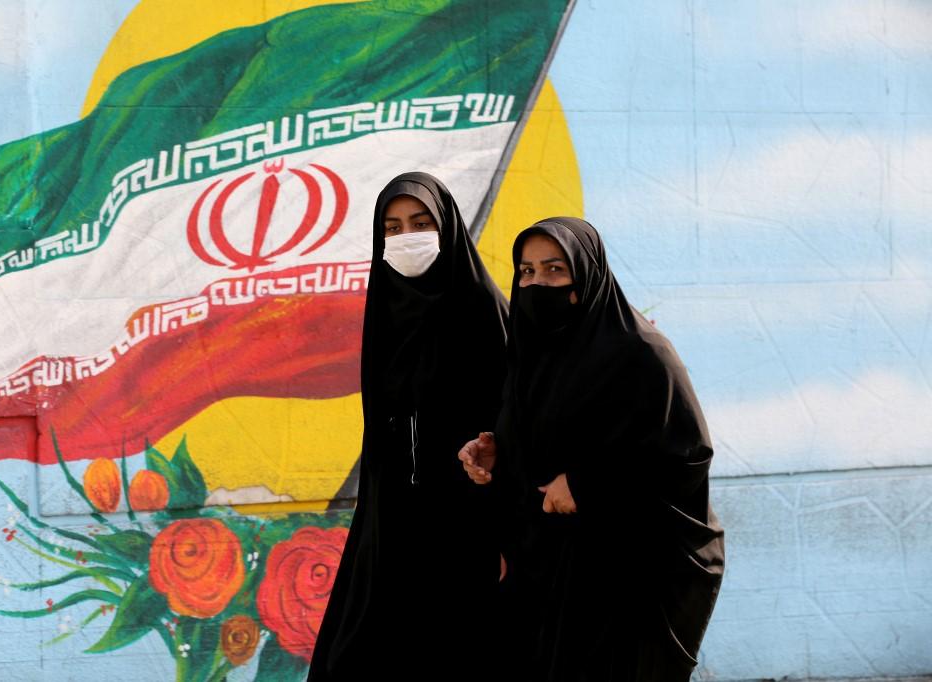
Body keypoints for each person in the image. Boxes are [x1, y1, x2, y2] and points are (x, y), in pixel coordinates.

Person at [460, 217, 725, 682]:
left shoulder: (642, 353)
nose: (537, 283)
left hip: (622, 575)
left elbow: (685, 456)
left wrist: (586, 485)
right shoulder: (530, 353)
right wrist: (496, 451)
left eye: (555, 269)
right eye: (527, 272)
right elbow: (543, 436)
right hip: (544, 569)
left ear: (587, 276)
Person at [308, 172, 509, 681]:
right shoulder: (386, 311)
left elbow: (519, 419)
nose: (406, 238)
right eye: (392, 229)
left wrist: (507, 532)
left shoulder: (485, 311)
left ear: (449, 229)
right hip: (394, 516)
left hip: (468, 523)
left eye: (421, 223)